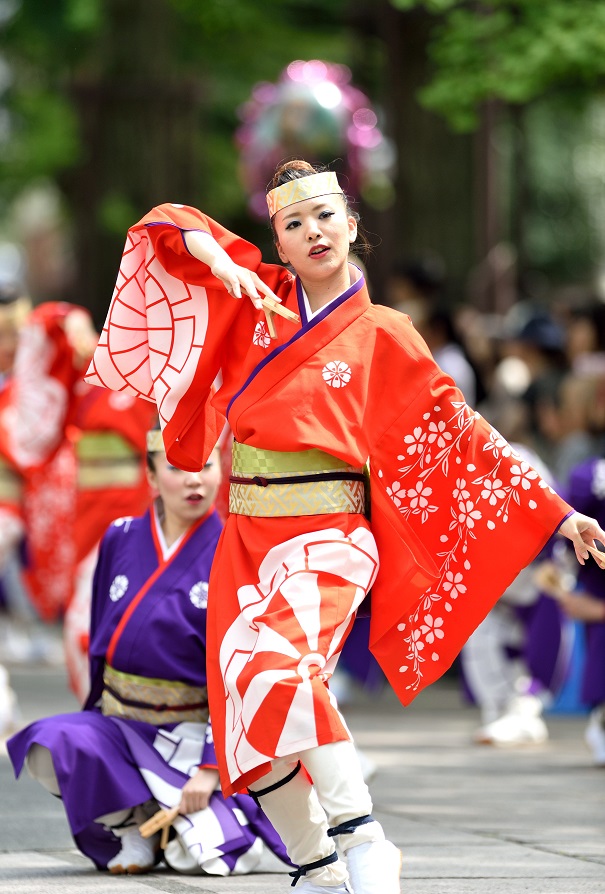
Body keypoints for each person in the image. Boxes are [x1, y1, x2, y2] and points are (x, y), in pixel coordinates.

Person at [84, 159, 605, 894]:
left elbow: (461, 432)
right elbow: (160, 228)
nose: (312, 231)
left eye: (325, 216)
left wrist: (556, 511)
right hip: (246, 538)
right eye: (292, 224)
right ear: (280, 243)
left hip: (329, 535)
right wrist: (212, 257)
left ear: (353, 227)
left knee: (280, 670)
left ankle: (362, 836)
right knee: (246, 726)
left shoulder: (384, 332)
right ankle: (319, 868)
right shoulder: (253, 299)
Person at [6, 429, 291, 877]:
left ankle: (179, 825)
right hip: (124, 724)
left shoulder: (234, 552)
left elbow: (241, 669)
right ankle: (132, 825)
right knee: (52, 745)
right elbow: (103, 636)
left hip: (193, 734)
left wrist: (212, 767)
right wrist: (95, 723)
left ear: (223, 472)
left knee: (207, 858)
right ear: (152, 475)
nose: (194, 481)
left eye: (206, 466)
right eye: (177, 467)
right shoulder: (121, 537)